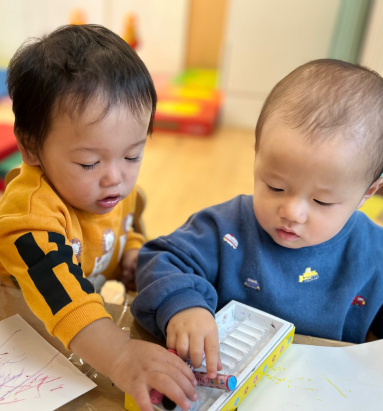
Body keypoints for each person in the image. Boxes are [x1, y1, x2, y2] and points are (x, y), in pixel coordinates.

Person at [0, 24, 197, 411]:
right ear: (31, 147)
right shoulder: (30, 215)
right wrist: (120, 356)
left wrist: (132, 254)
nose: (115, 178)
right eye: (89, 162)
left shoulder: (113, 191)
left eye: (133, 155)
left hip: (57, 325)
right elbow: (62, 295)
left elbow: (126, 227)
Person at [132, 59, 383, 375]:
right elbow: (160, 259)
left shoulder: (374, 252)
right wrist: (184, 306)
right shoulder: (226, 228)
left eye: (322, 201)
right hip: (225, 380)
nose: (291, 212)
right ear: (257, 155)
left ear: (367, 193)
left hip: (323, 388)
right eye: (275, 187)